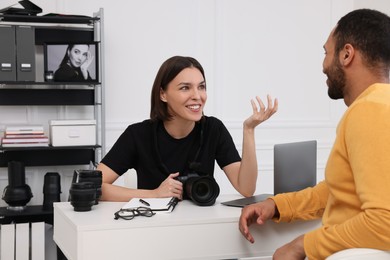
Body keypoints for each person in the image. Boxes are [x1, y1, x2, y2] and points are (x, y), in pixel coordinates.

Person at [238, 9, 390, 260]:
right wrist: (277, 205)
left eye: (326, 52)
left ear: (346, 54)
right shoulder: (379, 106)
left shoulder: (370, 109)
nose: (323, 66)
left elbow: (385, 220)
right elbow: (339, 191)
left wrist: (302, 246)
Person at [97, 55, 278, 202]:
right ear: (163, 94)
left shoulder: (213, 129)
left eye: (202, 87)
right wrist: (154, 194)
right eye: (185, 88)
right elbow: (95, 187)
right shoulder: (138, 134)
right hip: (152, 230)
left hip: (199, 229)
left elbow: (246, 188)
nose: (197, 96)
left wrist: (249, 130)